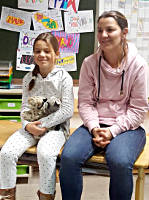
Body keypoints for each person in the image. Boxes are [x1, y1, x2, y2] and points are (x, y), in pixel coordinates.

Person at [59, 10, 148, 200]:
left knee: (119, 160)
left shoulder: (139, 65)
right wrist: (94, 128)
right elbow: (85, 102)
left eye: (110, 30)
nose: (103, 35)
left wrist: (113, 131)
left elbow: (139, 109)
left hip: (128, 128)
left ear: (124, 33)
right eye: (100, 31)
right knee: (69, 157)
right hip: (95, 124)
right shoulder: (89, 64)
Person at [0, 32, 74, 200]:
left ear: (57, 54)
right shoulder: (28, 78)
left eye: (47, 51)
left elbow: (67, 110)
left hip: (55, 129)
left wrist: (44, 125)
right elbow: (24, 108)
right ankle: (8, 195)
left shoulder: (64, 78)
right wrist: (27, 125)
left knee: (45, 153)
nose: (42, 55)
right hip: (31, 128)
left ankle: (46, 195)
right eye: (38, 51)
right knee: (7, 153)